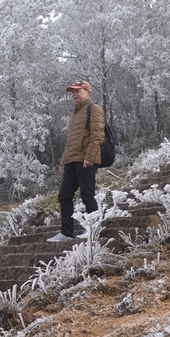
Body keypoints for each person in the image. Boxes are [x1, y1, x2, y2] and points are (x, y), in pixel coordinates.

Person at [48, 79, 104, 242]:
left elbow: (97, 135)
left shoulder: (94, 109)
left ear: (87, 92)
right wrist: (64, 160)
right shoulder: (76, 113)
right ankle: (66, 232)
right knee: (64, 195)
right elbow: (71, 140)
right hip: (72, 161)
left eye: (77, 91)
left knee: (87, 195)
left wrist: (90, 157)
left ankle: (94, 229)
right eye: (72, 92)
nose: (73, 94)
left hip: (86, 160)